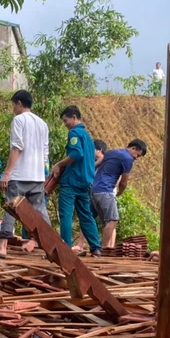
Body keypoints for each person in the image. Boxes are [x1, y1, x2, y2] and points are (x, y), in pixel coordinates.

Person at [0, 90, 51, 258]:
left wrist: (7, 174)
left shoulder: (19, 120)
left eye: (13, 105)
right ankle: (52, 249)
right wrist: (43, 175)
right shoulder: (42, 123)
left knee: (11, 208)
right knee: (40, 212)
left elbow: (17, 147)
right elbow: (45, 153)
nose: (13, 109)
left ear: (19, 103)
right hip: (37, 175)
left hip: (20, 174)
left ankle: (2, 246)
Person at [48, 105, 102, 255]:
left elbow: (76, 153)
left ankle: (66, 247)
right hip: (85, 182)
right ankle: (96, 247)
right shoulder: (88, 138)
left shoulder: (74, 133)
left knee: (66, 214)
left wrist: (59, 164)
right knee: (85, 214)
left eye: (66, 120)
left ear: (73, 117)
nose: (65, 124)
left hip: (71, 181)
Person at [90, 139, 148, 249]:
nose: (136, 158)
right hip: (105, 190)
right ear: (133, 148)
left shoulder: (111, 152)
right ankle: (103, 248)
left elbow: (95, 165)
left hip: (95, 190)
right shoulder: (127, 159)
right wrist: (119, 193)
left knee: (106, 222)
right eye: (137, 155)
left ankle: (97, 248)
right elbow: (124, 182)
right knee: (113, 220)